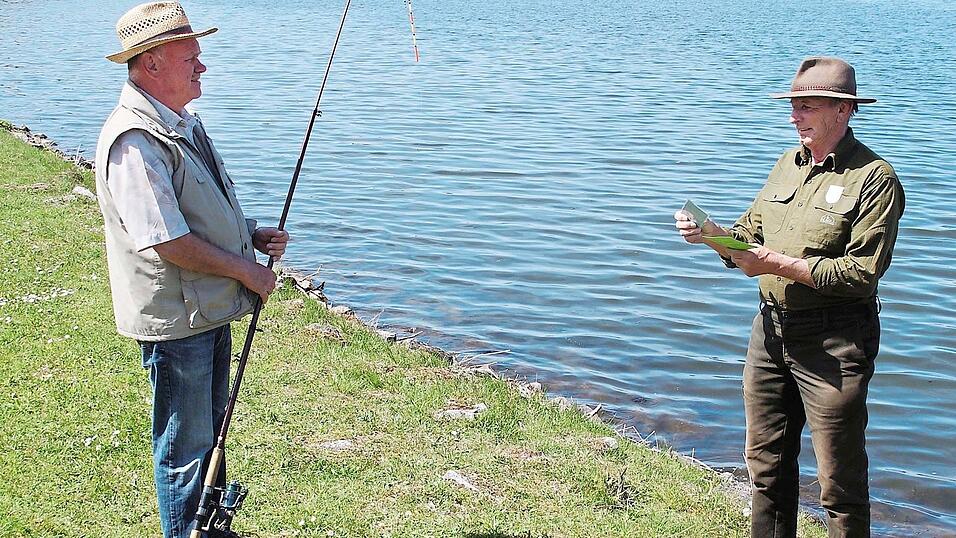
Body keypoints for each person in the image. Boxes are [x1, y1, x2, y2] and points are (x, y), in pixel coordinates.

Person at [673, 57, 904, 537]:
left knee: (838, 483)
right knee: (766, 468)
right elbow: (748, 237)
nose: (794, 116)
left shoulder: (875, 179)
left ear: (843, 111)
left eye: (806, 106)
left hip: (834, 344)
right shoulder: (786, 165)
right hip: (770, 335)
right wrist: (713, 235)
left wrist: (776, 264)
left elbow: (861, 274)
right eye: (793, 106)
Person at [94, 3, 290, 537]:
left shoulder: (180, 124)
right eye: (191, 58)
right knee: (185, 448)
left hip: (206, 308)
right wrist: (247, 273)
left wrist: (249, 233)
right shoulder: (134, 141)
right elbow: (166, 240)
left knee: (212, 436)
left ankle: (209, 528)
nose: (202, 67)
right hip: (177, 320)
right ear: (150, 63)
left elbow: (193, 211)